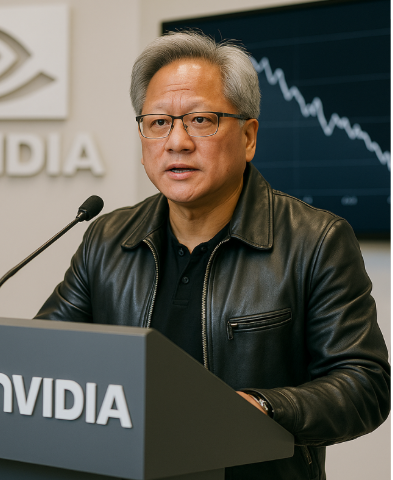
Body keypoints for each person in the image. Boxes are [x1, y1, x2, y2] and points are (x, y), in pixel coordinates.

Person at [36, 32, 390, 479]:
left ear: (248, 136)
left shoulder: (316, 241)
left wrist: (262, 407)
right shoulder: (107, 238)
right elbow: (43, 357)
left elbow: (364, 384)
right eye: (158, 122)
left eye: (201, 120)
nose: (177, 141)